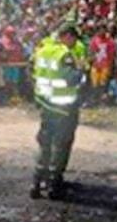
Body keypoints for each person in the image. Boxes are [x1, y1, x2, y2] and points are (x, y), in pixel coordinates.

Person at [31, 24, 85, 199]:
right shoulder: (64, 54)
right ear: (66, 36)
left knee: (45, 142)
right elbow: (71, 79)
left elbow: (33, 74)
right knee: (61, 145)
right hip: (64, 107)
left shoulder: (42, 50)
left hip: (46, 105)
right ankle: (54, 184)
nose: (74, 43)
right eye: (73, 39)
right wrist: (81, 70)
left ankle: (37, 182)